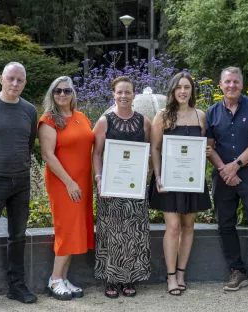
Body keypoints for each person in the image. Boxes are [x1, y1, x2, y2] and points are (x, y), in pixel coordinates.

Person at [0, 62, 38, 312]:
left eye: (20, 80)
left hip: (20, 182)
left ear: (24, 82)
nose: (15, 84)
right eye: (10, 78)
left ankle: (16, 286)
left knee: (18, 236)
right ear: (1, 79)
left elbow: (29, 143)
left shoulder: (29, 110)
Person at [205, 66, 248, 297]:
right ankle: (238, 271)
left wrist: (236, 165)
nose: (231, 85)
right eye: (227, 82)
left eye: (235, 81)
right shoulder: (212, 112)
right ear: (220, 85)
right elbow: (209, 147)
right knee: (225, 225)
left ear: (241, 84)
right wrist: (225, 169)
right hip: (222, 175)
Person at [149, 72, 212, 296]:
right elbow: (155, 148)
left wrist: (206, 151)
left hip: (191, 179)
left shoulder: (201, 116)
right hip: (169, 178)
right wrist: (158, 176)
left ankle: (182, 272)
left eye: (187, 87)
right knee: (173, 227)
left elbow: (203, 148)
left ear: (192, 91)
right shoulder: (163, 116)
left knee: (188, 226)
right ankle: (171, 276)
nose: (183, 91)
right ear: (173, 91)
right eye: (179, 87)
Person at [93, 76, 151, 298]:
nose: (123, 96)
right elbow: (97, 154)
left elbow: (147, 152)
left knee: (134, 232)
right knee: (111, 233)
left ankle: (130, 278)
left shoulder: (144, 122)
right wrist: (99, 179)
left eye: (128, 92)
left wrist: (145, 170)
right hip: (110, 186)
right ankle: (110, 278)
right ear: (113, 94)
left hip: (134, 187)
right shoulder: (104, 121)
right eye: (119, 92)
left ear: (134, 95)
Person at [38, 76, 95, 300]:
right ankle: (54, 279)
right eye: (57, 91)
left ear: (73, 94)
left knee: (75, 229)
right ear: (52, 94)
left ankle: (63, 278)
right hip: (64, 184)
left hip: (82, 184)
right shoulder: (48, 120)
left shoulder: (81, 117)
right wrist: (69, 182)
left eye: (67, 91)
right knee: (66, 229)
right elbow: (47, 156)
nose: (62, 94)